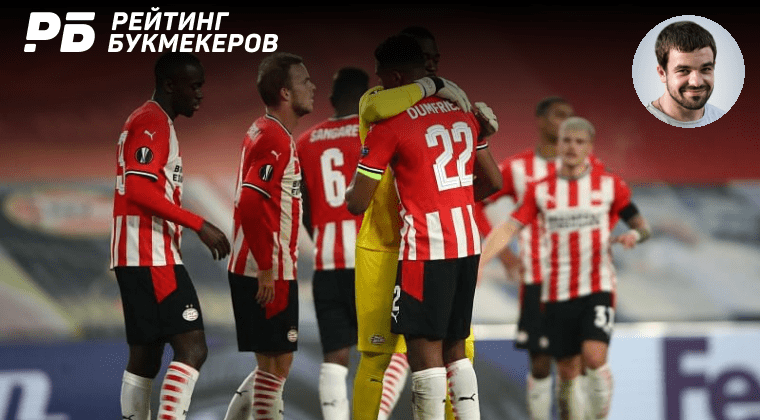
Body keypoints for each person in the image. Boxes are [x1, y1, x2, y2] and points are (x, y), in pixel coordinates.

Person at [346, 34, 502, 420]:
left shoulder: (388, 123)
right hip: (465, 241)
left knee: (423, 354)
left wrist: (429, 204)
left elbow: (356, 202)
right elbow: (493, 182)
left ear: (394, 76)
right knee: (456, 350)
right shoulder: (464, 113)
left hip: (422, 246)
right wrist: (452, 200)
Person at [480, 117, 651, 420]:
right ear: (558, 145)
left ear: (589, 147)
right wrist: (481, 262)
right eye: (567, 141)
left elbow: (641, 225)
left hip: (596, 286)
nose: (572, 147)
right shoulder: (540, 190)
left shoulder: (609, 185)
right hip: (554, 292)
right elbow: (508, 227)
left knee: (594, 358)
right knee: (568, 370)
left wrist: (634, 236)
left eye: (579, 142)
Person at [111, 51, 231, 420]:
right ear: (169, 85)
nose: (199, 94)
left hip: (133, 254)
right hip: (151, 254)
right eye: (193, 86)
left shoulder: (147, 120)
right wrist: (199, 224)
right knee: (193, 348)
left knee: (146, 356)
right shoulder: (152, 122)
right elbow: (138, 189)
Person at [223, 52, 315, 420]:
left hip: (262, 264)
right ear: (285, 93)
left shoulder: (264, 129)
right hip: (266, 267)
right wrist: (265, 267)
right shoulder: (275, 138)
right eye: (304, 81)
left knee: (273, 364)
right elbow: (250, 200)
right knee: (277, 363)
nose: (312, 87)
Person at [473, 96, 574, 420]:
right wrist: (504, 256)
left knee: (576, 363)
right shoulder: (518, 168)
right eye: (559, 115)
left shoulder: (584, 169)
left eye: (570, 117)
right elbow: (476, 202)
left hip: (579, 280)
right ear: (541, 120)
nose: (566, 122)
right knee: (541, 363)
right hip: (535, 280)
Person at [295, 67, 368, 420]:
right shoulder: (374, 134)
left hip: (327, 263)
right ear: (368, 97)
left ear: (331, 98)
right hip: (371, 264)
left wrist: (323, 238)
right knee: (387, 350)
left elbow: (305, 207)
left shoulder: (305, 142)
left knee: (335, 357)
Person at [646, 20, 724, 127]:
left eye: (705, 69)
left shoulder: (725, 121)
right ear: (662, 73)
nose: (696, 83)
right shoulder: (640, 125)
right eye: (683, 71)